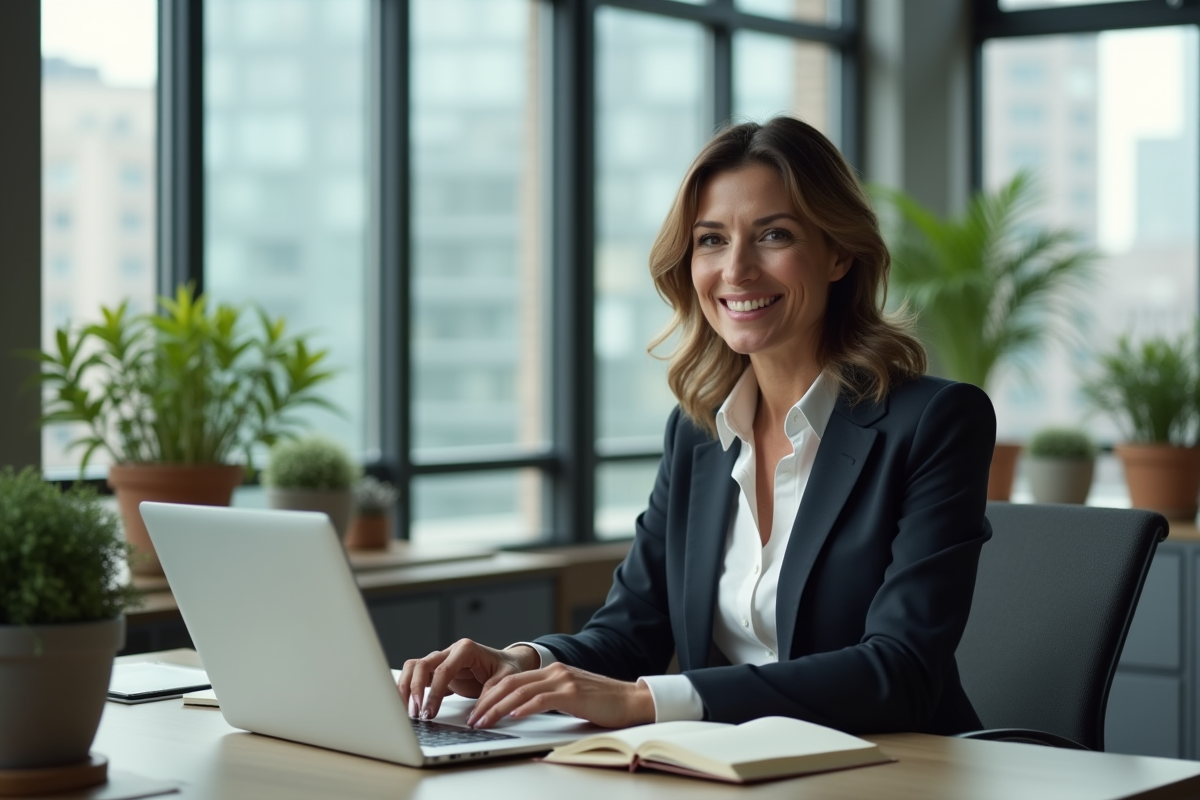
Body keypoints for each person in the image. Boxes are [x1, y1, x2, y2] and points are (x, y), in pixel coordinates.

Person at [397, 116, 996, 736]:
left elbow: (900, 674)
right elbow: (632, 629)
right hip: (732, 773)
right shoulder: (698, 434)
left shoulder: (933, 423)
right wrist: (523, 662)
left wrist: (648, 702)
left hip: (893, 772)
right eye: (711, 240)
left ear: (839, 252)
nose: (736, 270)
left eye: (774, 235)